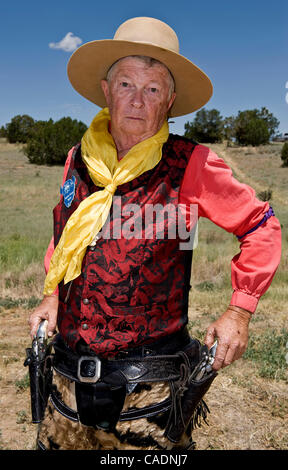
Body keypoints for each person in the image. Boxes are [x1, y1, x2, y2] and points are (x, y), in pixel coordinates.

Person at [29, 17, 281, 450]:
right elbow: (67, 231)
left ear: (170, 100)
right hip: (67, 380)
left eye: (152, 89)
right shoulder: (79, 158)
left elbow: (261, 226)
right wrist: (53, 294)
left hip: (149, 390)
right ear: (106, 91)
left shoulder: (192, 163)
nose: (137, 101)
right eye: (127, 84)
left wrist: (240, 311)